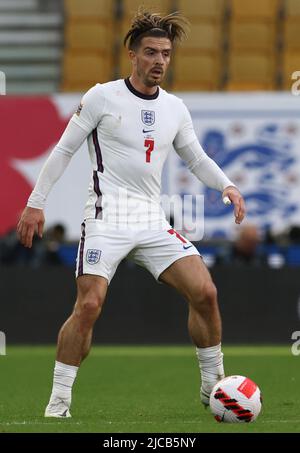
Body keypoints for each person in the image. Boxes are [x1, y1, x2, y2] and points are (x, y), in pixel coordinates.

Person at [17, 10, 245, 418]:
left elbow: (195, 157)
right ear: (132, 54)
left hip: (151, 219)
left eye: (166, 54)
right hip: (106, 217)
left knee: (205, 292)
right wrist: (37, 202)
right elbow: (65, 149)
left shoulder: (175, 107)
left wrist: (226, 184)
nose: (160, 61)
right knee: (88, 305)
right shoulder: (101, 97)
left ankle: (213, 386)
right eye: (152, 52)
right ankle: (59, 402)